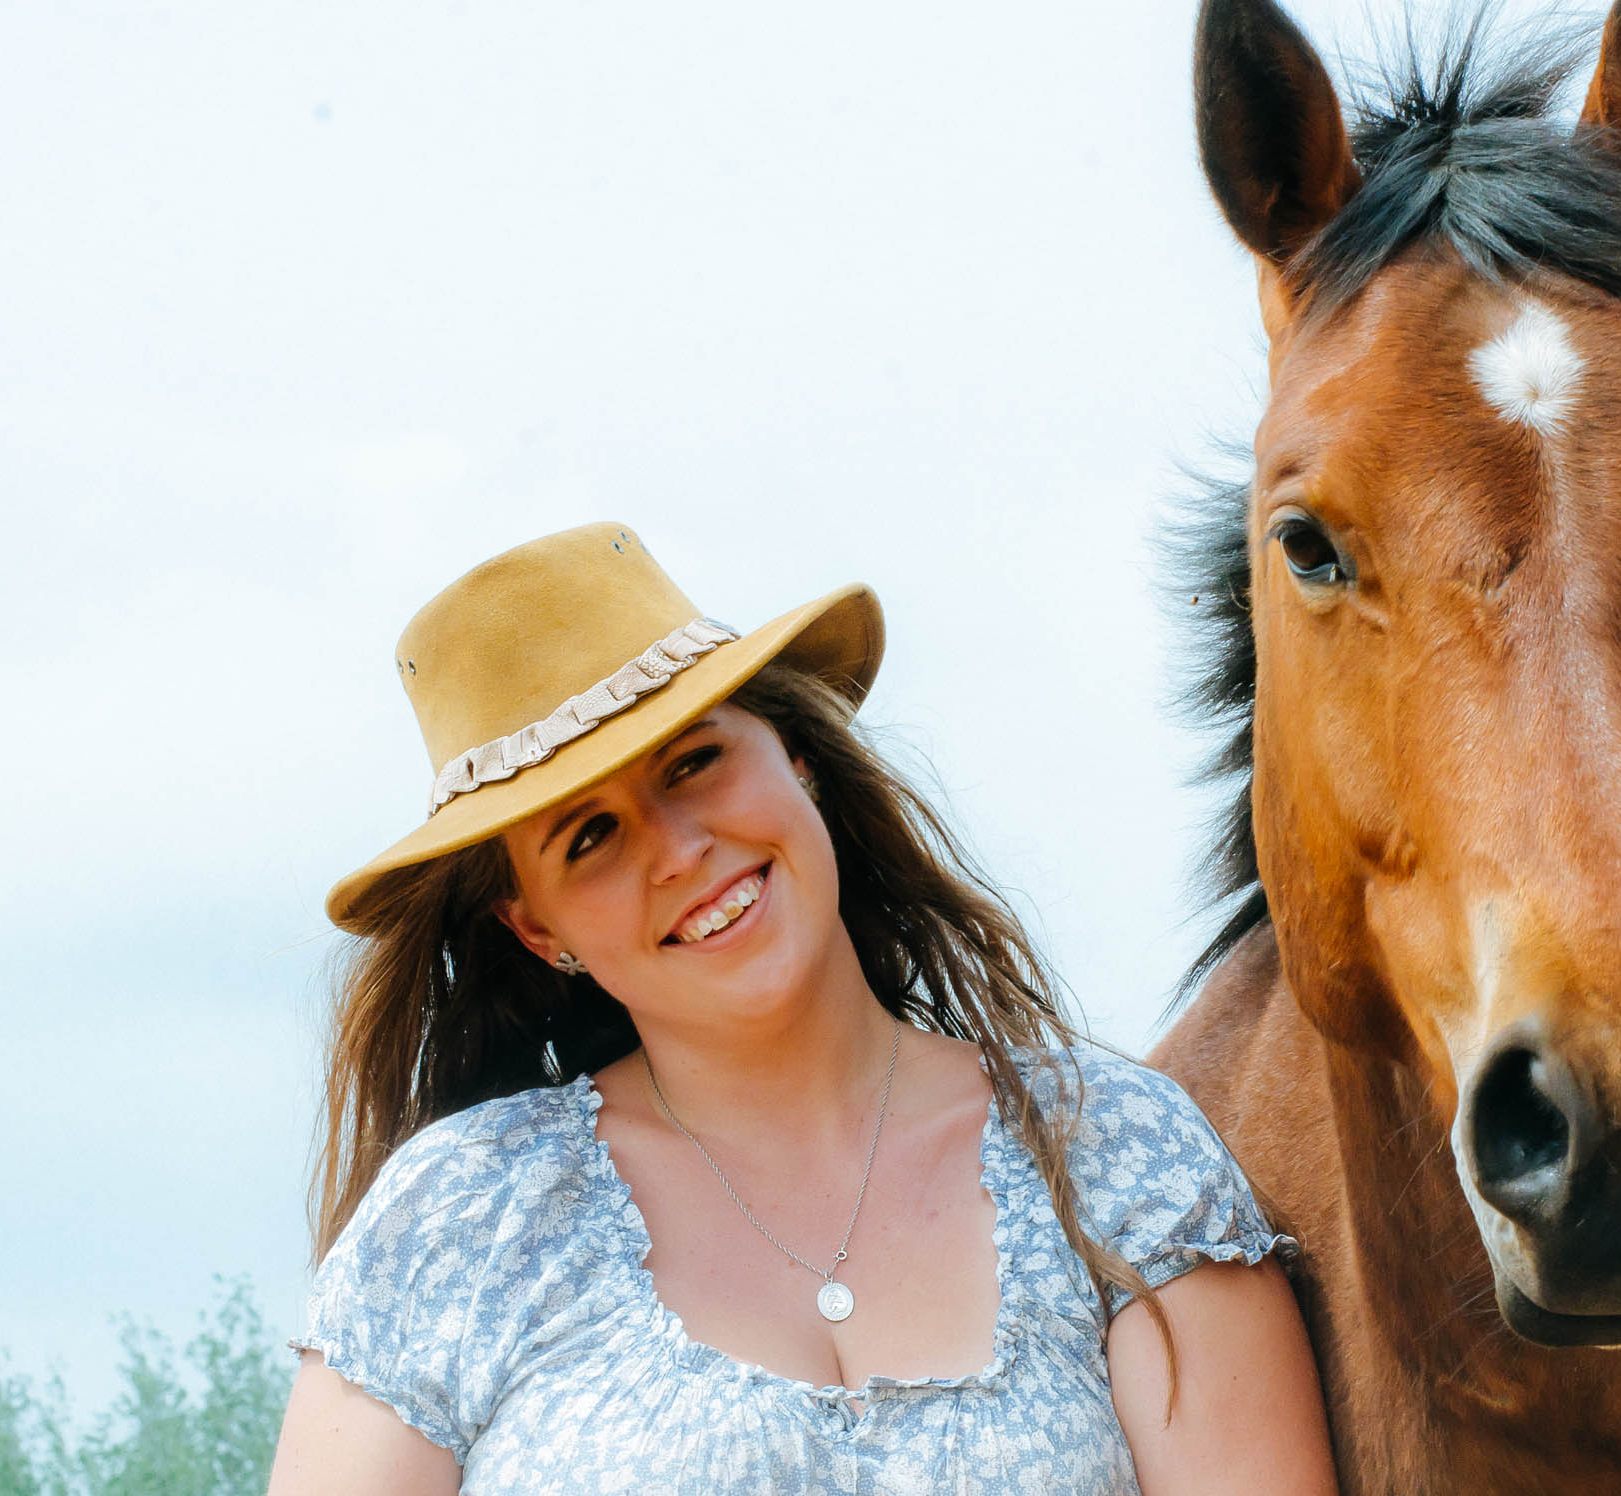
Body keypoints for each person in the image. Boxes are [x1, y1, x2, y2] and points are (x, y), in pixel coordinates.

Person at [265, 522, 1337, 1495]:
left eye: (693, 762)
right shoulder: (458, 1222)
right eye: (586, 838)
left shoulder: (1121, 1159)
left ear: (802, 762)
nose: (678, 848)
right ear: (537, 930)